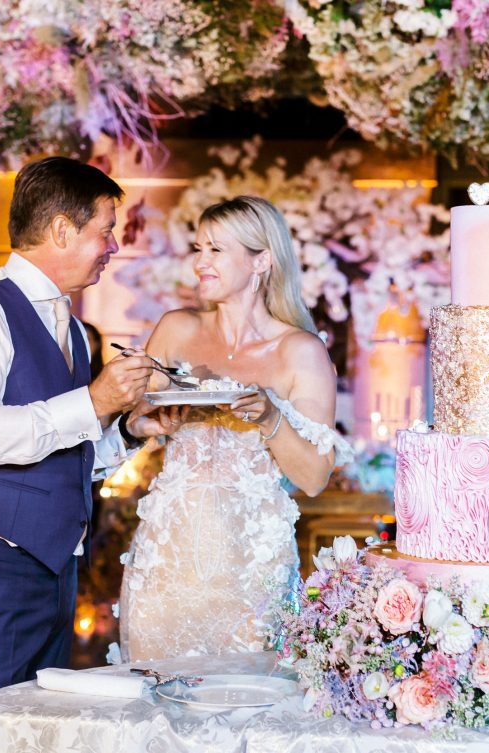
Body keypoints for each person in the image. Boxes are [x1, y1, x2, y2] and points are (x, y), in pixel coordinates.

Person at [0, 156, 172, 725]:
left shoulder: (72, 328)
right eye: (105, 230)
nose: (113, 246)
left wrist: (130, 430)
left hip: (50, 574)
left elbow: (62, 455)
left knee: (31, 736)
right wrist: (94, 402)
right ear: (61, 229)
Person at [118, 195, 352, 662]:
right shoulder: (176, 329)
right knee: (154, 694)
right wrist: (143, 421)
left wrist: (270, 418)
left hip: (253, 569)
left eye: (216, 250)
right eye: (198, 248)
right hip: (167, 561)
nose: (200, 263)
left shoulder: (300, 351)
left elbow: (313, 477)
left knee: (247, 697)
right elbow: (133, 420)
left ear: (261, 260)